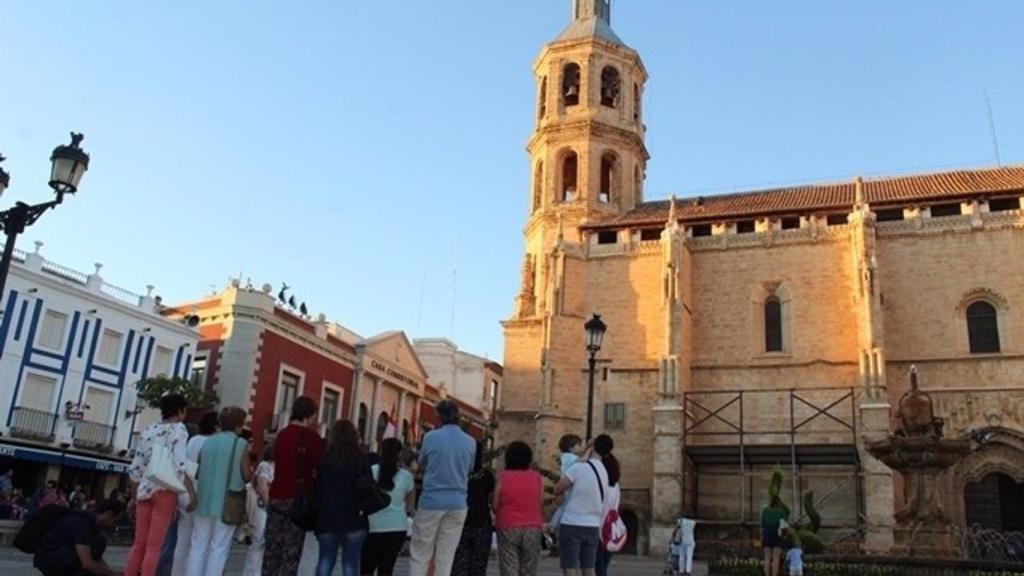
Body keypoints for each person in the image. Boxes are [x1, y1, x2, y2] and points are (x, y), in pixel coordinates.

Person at [126, 393, 196, 576]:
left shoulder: (148, 430)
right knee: (154, 546)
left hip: (143, 491)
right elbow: (180, 466)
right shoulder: (179, 430)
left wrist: (134, 496)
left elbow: (135, 468)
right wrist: (192, 493)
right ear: (180, 410)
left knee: (139, 542)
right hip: (165, 491)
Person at [408, 400, 476, 576]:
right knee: (446, 556)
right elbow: (469, 469)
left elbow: (422, 464)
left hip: (432, 500)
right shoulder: (470, 442)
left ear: (438, 416)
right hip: (458, 503)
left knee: (420, 554)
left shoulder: (431, 437)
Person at [186, 406, 253, 575]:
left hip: (204, 499)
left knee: (198, 544)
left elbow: (199, 471)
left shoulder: (208, 442)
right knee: (219, 548)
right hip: (227, 502)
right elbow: (246, 474)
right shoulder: (240, 443)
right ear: (238, 425)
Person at [263, 395, 323, 576]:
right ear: (311, 415)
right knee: (291, 551)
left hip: (276, 496)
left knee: (272, 550)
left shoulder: (281, 435)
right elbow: (319, 466)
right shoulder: (311, 437)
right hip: (296, 499)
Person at [315, 419, 370, 576]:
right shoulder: (360, 459)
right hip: (354, 517)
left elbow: (318, 487)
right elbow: (368, 486)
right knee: (351, 563)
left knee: (325, 559)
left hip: (327, 517)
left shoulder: (325, 458)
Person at [167, 412, 218, 576]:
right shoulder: (211, 443)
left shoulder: (193, 440)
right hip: (198, 491)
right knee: (199, 540)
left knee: (183, 539)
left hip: (183, 490)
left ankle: (177, 572)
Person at [553, 437, 608, 576]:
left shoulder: (578, 467)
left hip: (572, 522)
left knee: (570, 566)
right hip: (593, 525)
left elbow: (558, 488)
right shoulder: (603, 470)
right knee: (589, 567)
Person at [361, 437, 415, 576]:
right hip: (397, 527)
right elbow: (410, 506)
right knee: (386, 569)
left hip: (373, 525)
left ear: (381, 451)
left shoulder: (372, 471)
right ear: (399, 454)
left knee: (366, 568)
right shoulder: (407, 476)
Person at [33, 497, 125, 576]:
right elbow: (87, 563)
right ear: (108, 513)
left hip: (58, 556)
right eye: (115, 520)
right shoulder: (82, 522)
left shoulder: (91, 524)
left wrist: (110, 572)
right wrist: (113, 574)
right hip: (51, 558)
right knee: (100, 542)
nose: (113, 525)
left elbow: (95, 557)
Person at [493, 441, 543, 576]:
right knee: (529, 568)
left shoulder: (502, 477)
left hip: (508, 525)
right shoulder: (536, 477)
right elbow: (540, 501)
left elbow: (495, 504)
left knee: (509, 567)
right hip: (532, 526)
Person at [453, 441, 496, 576]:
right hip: (482, 524)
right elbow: (491, 498)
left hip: (459, 522)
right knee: (478, 568)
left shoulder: (457, 473)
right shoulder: (488, 476)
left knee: (459, 566)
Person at [243, 442, 276, 576]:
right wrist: (271, 506)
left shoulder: (266, 465)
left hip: (263, 507)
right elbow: (262, 487)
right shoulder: (266, 466)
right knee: (259, 541)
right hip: (262, 508)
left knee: (261, 543)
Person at [592, 435, 620, 576]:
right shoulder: (616, 486)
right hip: (611, 530)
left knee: (597, 569)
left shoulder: (599, 483)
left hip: (597, 528)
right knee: (602, 567)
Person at [761, 495, 789, 576]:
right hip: (777, 533)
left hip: (766, 532)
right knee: (776, 557)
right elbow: (784, 524)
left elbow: (762, 524)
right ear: (779, 502)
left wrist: (762, 536)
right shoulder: (781, 511)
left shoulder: (765, 510)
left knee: (767, 557)